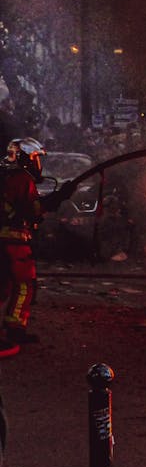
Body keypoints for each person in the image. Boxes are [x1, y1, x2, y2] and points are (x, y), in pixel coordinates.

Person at [0, 138, 56, 350]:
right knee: (24, 284)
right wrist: (53, 201)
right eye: (34, 159)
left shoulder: (5, 175)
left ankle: (10, 329)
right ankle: (15, 329)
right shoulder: (23, 179)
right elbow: (31, 209)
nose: (37, 165)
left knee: (4, 285)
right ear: (24, 158)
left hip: (4, 240)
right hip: (13, 240)